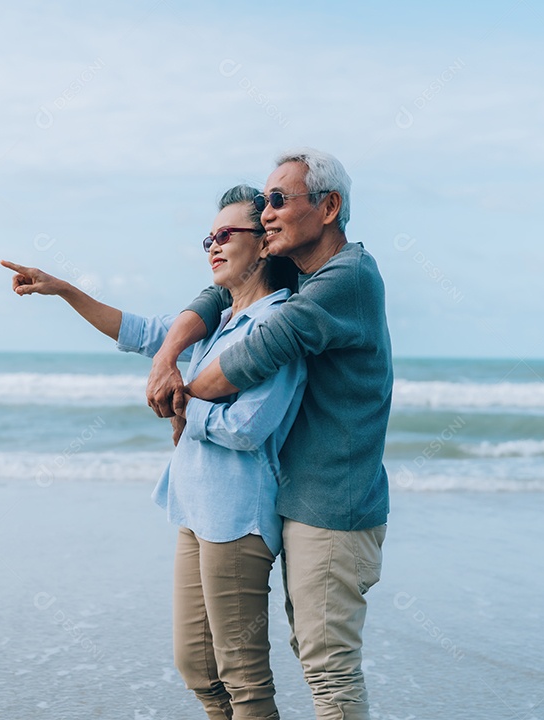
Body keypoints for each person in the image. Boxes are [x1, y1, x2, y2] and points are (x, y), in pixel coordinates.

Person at [0, 185, 306, 720]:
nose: (212, 244)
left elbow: (250, 427)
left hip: (237, 519)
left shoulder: (278, 324)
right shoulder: (219, 321)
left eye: (225, 234)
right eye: (208, 237)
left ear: (263, 245)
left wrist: (186, 404)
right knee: (197, 668)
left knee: (244, 678)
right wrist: (64, 290)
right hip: (194, 510)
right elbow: (141, 332)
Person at [145, 149, 393, 720]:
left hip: (333, 504)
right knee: (267, 664)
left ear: (329, 207)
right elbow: (217, 295)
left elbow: (259, 350)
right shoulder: (300, 274)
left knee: (328, 672)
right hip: (295, 500)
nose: (267, 214)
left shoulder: (345, 279)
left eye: (279, 201)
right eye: (263, 206)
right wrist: (166, 352)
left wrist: (183, 397)